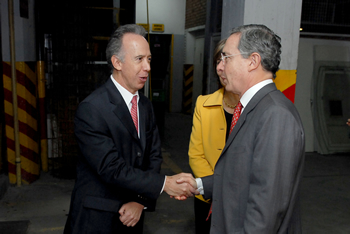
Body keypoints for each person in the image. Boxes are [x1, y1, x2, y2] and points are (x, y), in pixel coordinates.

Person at [64, 24, 198, 234]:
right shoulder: (92, 109)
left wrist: (139, 201)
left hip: (133, 217)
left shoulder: (144, 105)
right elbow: (112, 168)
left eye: (149, 59)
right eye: (139, 59)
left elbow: (153, 156)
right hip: (97, 220)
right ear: (117, 62)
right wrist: (164, 184)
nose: (148, 67)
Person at [179, 24, 305, 233]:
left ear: (252, 61)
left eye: (227, 57)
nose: (221, 66)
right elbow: (241, 177)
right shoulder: (253, 107)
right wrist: (199, 185)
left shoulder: (275, 114)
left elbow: (266, 208)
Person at [188, 39, 240, 234]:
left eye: (226, 61)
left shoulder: (254, 109)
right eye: (217, 61)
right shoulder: (204, 104)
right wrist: (214, 187)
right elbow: (196, 154)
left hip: (240, 198)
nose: (220, 68)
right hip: (207, 196)